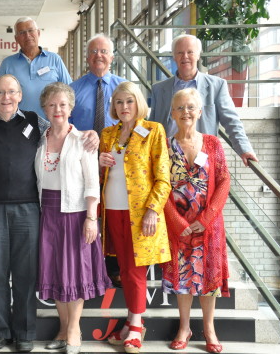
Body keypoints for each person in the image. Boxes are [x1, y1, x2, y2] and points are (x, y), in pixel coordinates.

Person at [0, 74, 47, 353]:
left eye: (11, 92)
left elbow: (62, 134)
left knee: (26, 274)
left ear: (20, 95)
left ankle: (25, 332)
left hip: (27, 207)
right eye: (0, 92)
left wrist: (85, 135)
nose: (6, 97)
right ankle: (1, 331)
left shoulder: (35, 121)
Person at [35, 82, 111, 354]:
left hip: (76, 213)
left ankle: (74, 331)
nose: (58, 109)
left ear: (71, 108)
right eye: (52, 105)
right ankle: (63, 328)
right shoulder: (39, 138)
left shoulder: (83, 140)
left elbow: (92, 183)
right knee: (56, 273)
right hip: (48, 212)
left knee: (75, 274)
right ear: (45, 107)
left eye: (63, 104)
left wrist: (92, 218)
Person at [98, 82, 171, 354]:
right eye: (118, 102)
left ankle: (137, 327)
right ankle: (131, 322)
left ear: (138, 103)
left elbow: (163, 177)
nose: (124, 107)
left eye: (129, 101)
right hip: (112, 212)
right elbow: (101, 177)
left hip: (140, 214)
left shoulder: (153, 131)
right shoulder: (108, 134)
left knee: (135, 270)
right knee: (124, 270)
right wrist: (99, 164)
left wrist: (153, 209)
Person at [160, 89, 230, 353]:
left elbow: (224, 181)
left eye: (190, 107)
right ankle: (184, 327)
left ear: (199, 112)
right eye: (180, 108)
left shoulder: (212, 143)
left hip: (208, 226)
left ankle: (209, 328)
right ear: (172, 113)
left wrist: (208, 216)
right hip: (179, 226)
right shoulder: (165, 145)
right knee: (183, 276)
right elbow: (161, 186)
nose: (185, 112)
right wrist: (177, 221)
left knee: (208, 277)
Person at [69, 33, 127, 287]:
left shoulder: (124, 88)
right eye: (93, 52)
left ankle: (114, 267)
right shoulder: (73, 89)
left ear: (112, 57)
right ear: (87, 57)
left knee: (114, 212)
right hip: (84, 162)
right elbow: (65, 127)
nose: (98, 56)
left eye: (103, 51)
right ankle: (89, 266)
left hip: (118, 162)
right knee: (88, 213)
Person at [149, 33, 257, 167]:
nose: (185, 57)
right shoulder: (159, 89)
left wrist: (244, 149)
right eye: (180, 52)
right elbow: (151, 127)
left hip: (201, 160)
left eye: (190, 52)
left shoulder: (217, 86)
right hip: (166, 161)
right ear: (174, 56)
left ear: (199, 55)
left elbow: (231, 121)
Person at [0, 17, 72, 119]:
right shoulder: (7, 63)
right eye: (22, 33)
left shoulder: (54, 59)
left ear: (38, 33)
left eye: (30, 30)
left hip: (51, 126)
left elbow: (69, 92)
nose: (27, 35)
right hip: (18, 126)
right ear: (16, 39)